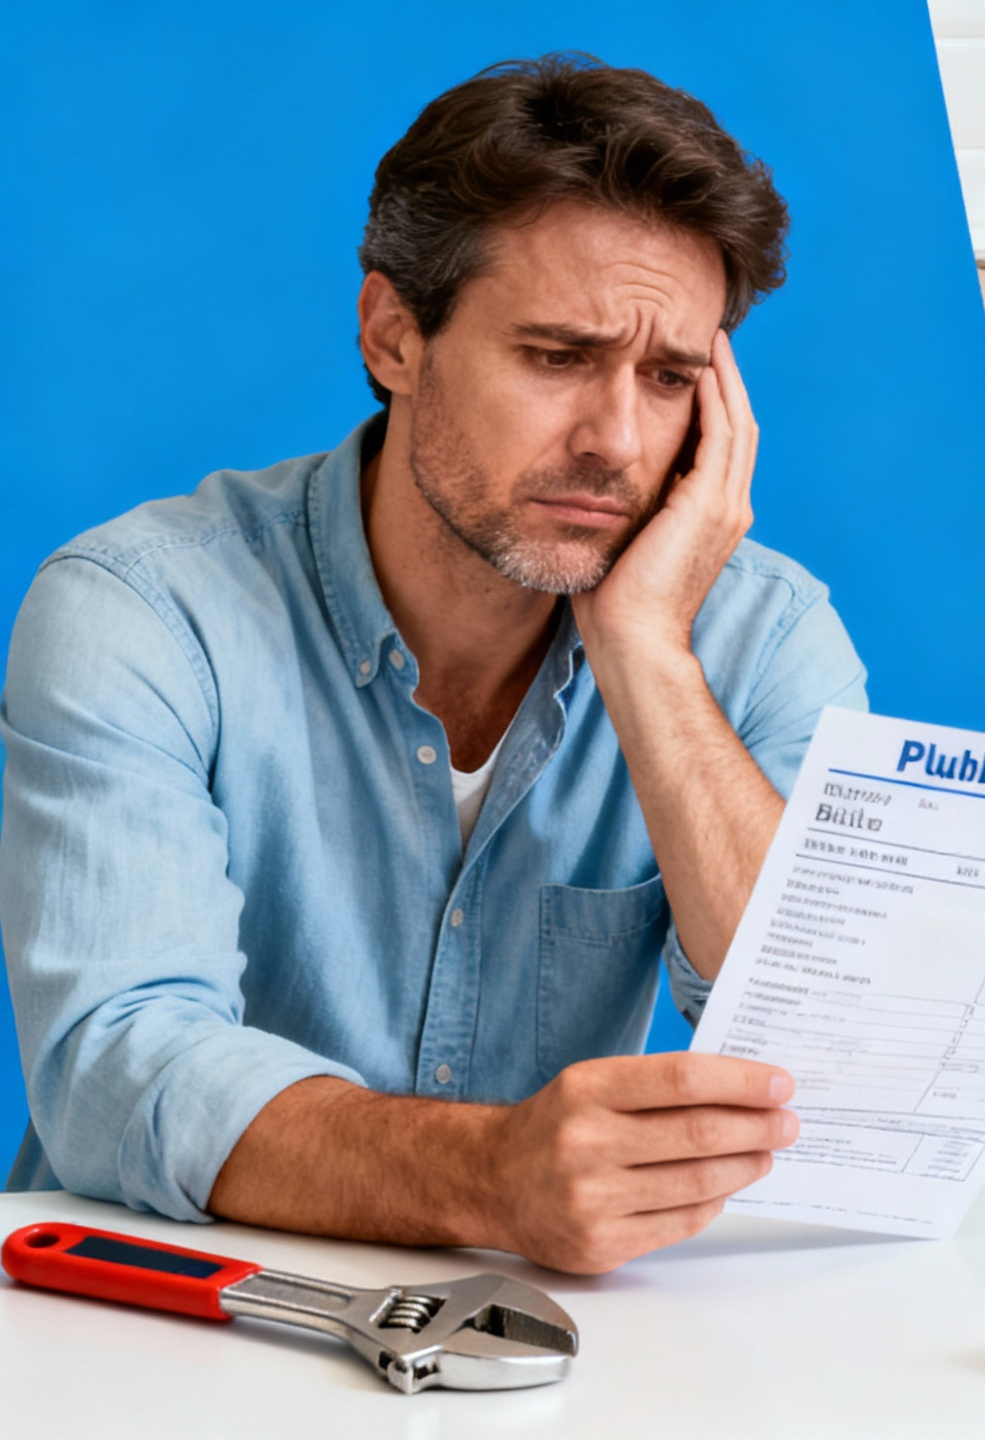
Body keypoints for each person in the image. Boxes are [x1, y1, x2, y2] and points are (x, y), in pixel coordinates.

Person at [0, 55, 865, 1275]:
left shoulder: (758, 636)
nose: (617, 442)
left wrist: (643, 652)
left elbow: (837, 1055)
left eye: (670, 379)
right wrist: (488, 1176)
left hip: (549, 1330)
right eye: (556, 357)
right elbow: (117, 1064)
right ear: (394, 335)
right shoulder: (142, 612)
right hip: (176, 1309)